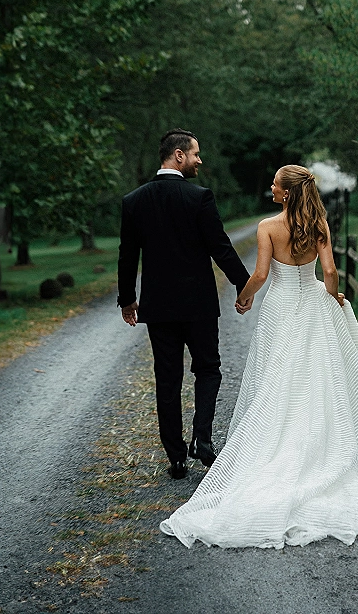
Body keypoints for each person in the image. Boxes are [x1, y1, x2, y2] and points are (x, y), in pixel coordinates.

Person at [159, 164, 358, 548]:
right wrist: (332, 296)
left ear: (286, 193)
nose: (270, 187)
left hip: (281, 307)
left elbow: (261, 275)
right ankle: (319, 447)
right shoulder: (318, 224)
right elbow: (331, 270)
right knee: (318, 377)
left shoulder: (268, 227)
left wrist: (243, 296)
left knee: (277, 379)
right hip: (312, 303)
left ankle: (276, 448)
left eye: (274, 183)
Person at [117, 129, 250, 480]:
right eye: (195, 154)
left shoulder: (134, 201)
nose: (199, 160)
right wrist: (243, 284)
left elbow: (127, 255)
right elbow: (220, 247)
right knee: (207, 368)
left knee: (167, 378)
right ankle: (201, 438)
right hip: (198, 304)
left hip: (158, 306)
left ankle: (176, 458)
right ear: (178, 155)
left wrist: (127, 299)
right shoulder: (199, 198)